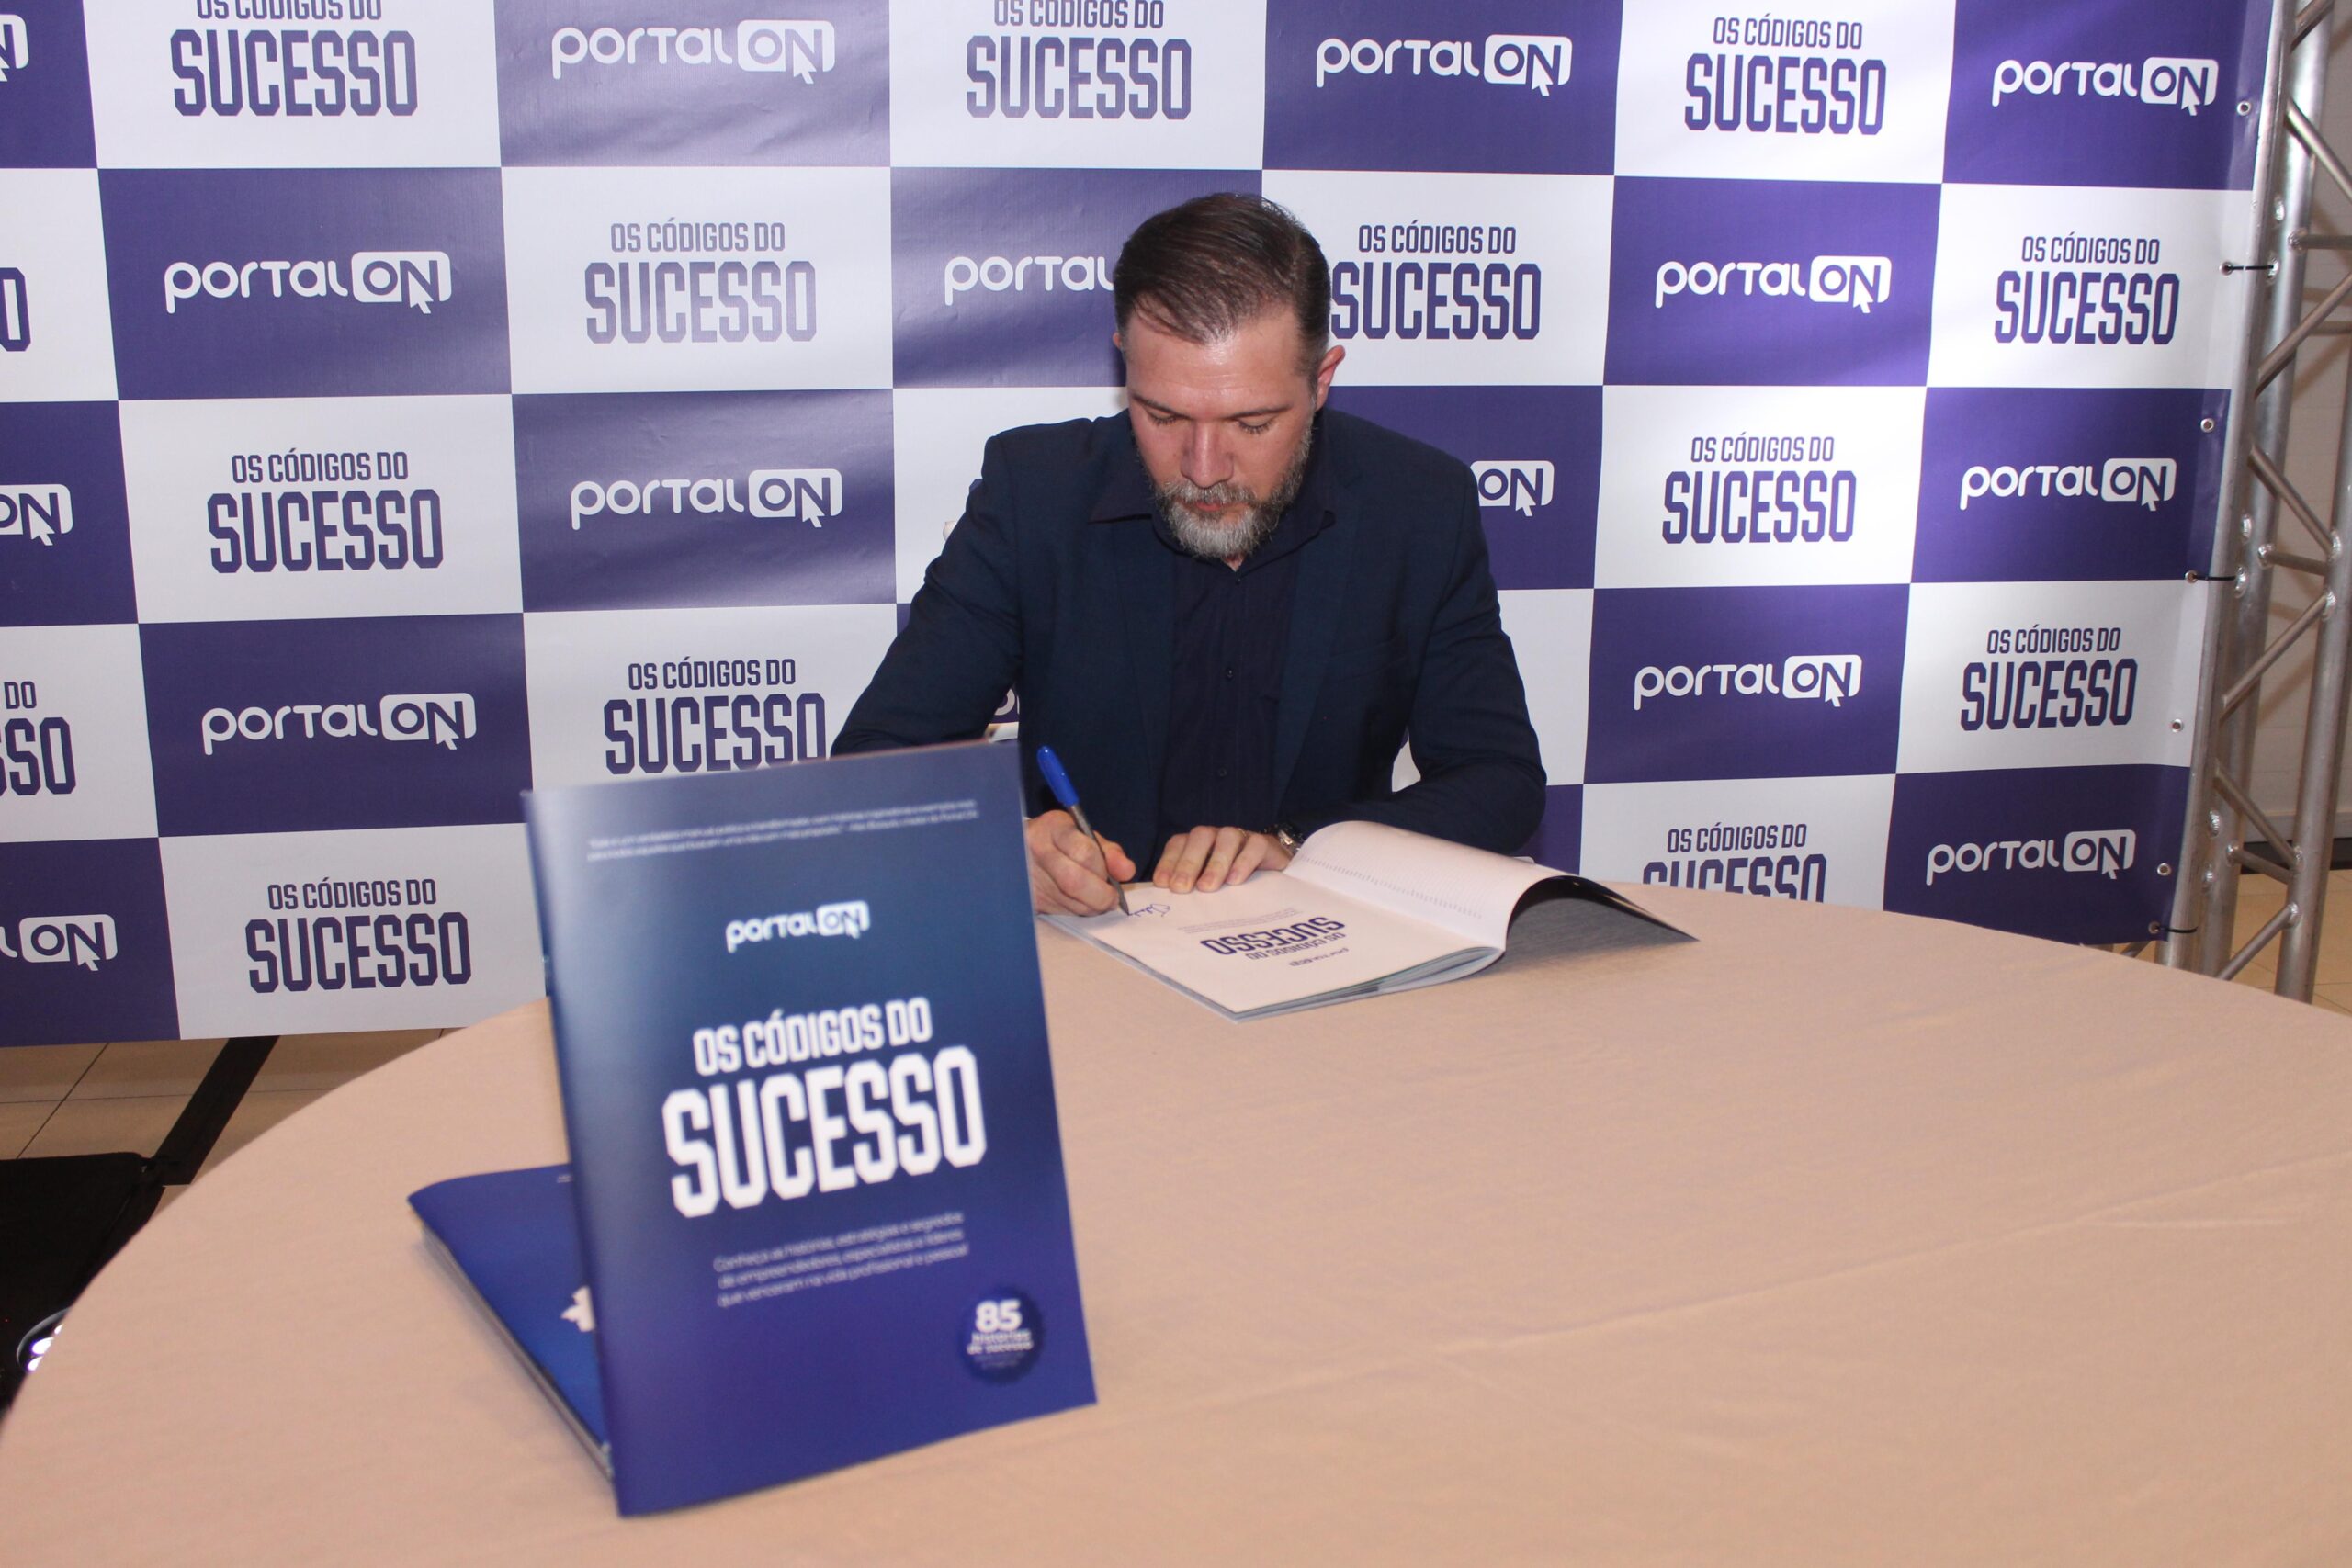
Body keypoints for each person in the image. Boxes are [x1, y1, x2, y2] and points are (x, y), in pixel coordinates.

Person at [835, 193, 1544, 915]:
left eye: (1252, 422)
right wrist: (998, 846)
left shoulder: (1419, 505)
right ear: (1125, 364)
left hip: (1327, 946)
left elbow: (1500, 779)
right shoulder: (1035, 497)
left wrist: (1302, 846)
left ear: (1321, 381)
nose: (1203, 469)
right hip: (1101, 946)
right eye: (1164, 415)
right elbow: (871, 764)